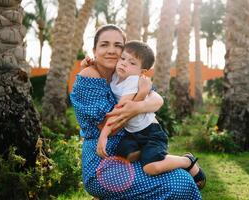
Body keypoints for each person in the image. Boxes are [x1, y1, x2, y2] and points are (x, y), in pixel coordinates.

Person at [70, 24, 202, 199]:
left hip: (127, 152)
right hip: (102, 164)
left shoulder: (121, 75)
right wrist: (139, 99)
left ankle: (184, 162)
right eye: (104, 45)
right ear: (94, 50)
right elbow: (107, 126)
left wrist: (140, 101)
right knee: (180, 182)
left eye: (118, 46)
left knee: (177, 177)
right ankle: (187, 162)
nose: (111, 50)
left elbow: (157, 99)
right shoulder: (89, 75)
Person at [96, 40, 206, 190]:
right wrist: (91, 62)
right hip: (132, 133)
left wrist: (104, 135)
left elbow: (119, 112)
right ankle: (146, 153)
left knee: (150, 167)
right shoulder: (116, 75)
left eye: (132, 63)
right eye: (123, 58)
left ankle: (187, 161)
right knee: (123, 156)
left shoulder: (132, 81)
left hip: (151, 133)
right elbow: (101, 67)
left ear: (142, 72)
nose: (123, 63)